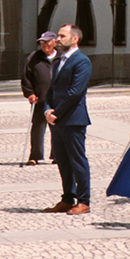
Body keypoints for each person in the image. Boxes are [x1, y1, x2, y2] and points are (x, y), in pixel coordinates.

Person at [41, 25, 92, 216]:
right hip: (57, 120)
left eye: (62, 36)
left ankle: (84, 200)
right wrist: (47, 110)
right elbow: (51, 90)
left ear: (75, 39)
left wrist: (57, 113)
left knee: (77, 161)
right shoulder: (58, 61)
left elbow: (75, 93)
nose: (58, 39)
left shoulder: (82, 62)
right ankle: (67, 198)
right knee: (62, 161)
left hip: (73, 119)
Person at [20, 31, 55, 166]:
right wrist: (29, 93)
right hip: (40, 99)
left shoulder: (61, 57)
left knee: (57, 129)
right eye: (42, 42)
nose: (45, 45)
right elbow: (26, 78)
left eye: (47, 42)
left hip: (57, 100)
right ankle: (35, 156)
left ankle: (57, 156)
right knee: (37, 129)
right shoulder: (33, 58)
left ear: (54, 42)